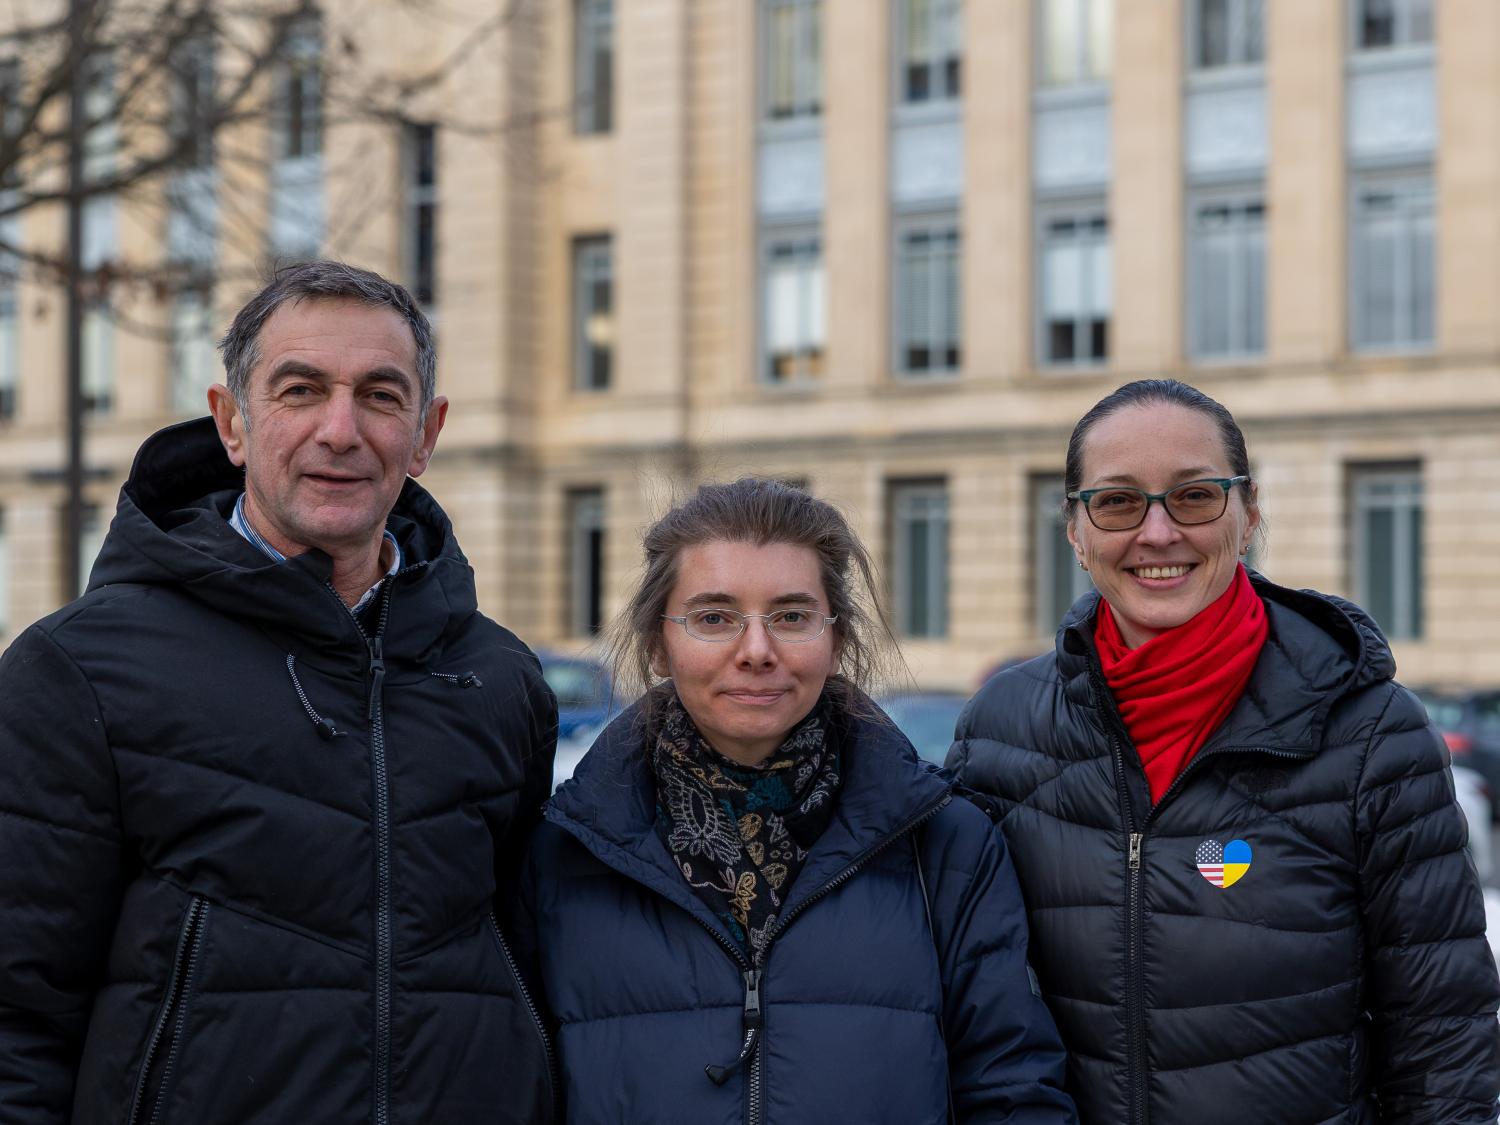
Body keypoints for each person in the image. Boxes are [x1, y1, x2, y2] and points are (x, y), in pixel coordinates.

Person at [0, 261, 558, 1123]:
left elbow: (521, 965)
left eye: (380, 395)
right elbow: (17, 1020)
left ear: (425, 433)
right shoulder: (79, 672)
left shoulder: (500, 679)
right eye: (300, 390)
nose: (341, 429)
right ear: (232, 420)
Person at [948, 379, 1500, 1123]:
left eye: (1195, 495)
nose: (1158, 531)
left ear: (1249, 513)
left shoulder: (1372, 733)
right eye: (1117, 501)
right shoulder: (999, 727)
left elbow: (1444, 1035)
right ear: (1074, 530)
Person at [515, 478, 1076, 1124]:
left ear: (835, 639)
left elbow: (1014, 1094)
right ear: (655, 643)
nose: (756, 651)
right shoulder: (564, 855)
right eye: (714, 617)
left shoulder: (946, 848)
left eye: (791, 615)